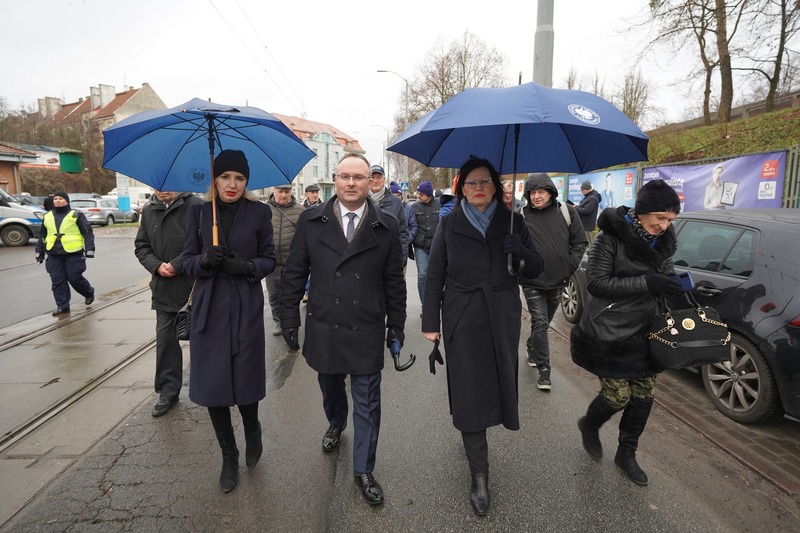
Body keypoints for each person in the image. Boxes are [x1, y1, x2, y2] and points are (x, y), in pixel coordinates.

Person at [279, 153, 406, 506]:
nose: (351, 183)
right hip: (326, 324)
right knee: (330, 385)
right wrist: (288, 317)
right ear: (334, 180)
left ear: (370, 182)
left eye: (359, 177)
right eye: (344, 176)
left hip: (366, 326)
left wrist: (396, 326)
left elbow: (394, 282)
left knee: (368, 402)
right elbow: (294, 272)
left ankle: (364, 469)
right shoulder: (311, 221)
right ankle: (336, 421)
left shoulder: (387, 226)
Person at [422, 156, 543, 516]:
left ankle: (480, 441)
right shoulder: (449, 223)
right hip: (461, 314)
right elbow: (435, 274)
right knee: (469, 390)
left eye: (485, 181)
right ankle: (479, 475)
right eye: (471, 182)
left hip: (502, 314)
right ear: (461, 188)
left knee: (499, 382)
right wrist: (431, 323)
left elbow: (537, 268)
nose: (478, 188)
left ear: (496, 186)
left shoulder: (513, 222)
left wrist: (520, 252)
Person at [571, 179, 684, 487]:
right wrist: (647, 283)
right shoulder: (610, 238)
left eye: (671, 219)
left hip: (648, 329)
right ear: (643, 211)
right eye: (660, 218)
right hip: (611, 330)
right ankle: (589, 425)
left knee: (644, 396)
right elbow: (596, 283)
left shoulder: (664, 241)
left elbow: (666, 274)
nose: (664, 225)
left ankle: (626, 453)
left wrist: (674, 284)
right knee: (618, 396)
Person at [181, 149, 277, 493]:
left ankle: (252, 430)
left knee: (246, 375)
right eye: (225, 177)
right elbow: (186, 260)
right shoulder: (199, 212)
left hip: (245, 303)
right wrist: (203, 261)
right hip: (210, 307)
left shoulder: (260, 212)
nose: (232, 184)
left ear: (246, 181)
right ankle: (228, 455)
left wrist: (248, 267)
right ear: (215, 179)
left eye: (239, 178)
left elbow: (270, 259)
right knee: (214, 383)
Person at [134, 190, 203, 417]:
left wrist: (176, 264)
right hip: (163, 289)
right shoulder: (149, 210)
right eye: (157, 186)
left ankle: (211, 387)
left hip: (195, 288)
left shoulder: (196, 205)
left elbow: (204, 245)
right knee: (166, 343)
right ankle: (168, 392)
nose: (162, 190)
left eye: (167, 185)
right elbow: (141, 246)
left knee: (205, 340)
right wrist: (156, 266)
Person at [519, 174, 587, 390]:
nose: (536, 196)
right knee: (540, 321)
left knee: (545, 321)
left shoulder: (567, 212)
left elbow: (580, 242)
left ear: (550, 193)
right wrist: (520, 263)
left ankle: (532, 346)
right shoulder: (521, 215)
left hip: (559, 278)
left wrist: (569, 266)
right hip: (532, 279)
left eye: (541, 192)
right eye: (532, 192)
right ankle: (544, 369)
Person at [34, 191, 96, 316]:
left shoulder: (76, 215)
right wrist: (39, 252)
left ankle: (88, 292)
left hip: (73, 253)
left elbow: (87, 232)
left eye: (60, 198)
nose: (57, 201)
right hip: (54, 253)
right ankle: (62, 306)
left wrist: (90, 249)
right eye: (55, 199)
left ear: (67, 201)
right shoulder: (47, 216)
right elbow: (42, 236)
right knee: (58, 281)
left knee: (74, 278)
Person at [265, 183, 303, 336]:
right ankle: (278, 321)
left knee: (291, 294)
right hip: (271, 262)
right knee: (274, 294)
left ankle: (291, 322)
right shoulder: (264, 209)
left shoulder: (300, 210)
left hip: (292, 262)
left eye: (287, 191)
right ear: (273, 191)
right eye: (280, 191)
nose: (283, 195)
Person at [369, 164, 410, 272]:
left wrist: (403, 258)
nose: (375, 181)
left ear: (384, 179)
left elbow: (403, 231)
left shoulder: (395, 202)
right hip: (367, 260)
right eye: (372, 177)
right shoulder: (361, 201)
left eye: (379, 177)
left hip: (391, 258)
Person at [411, 179, 440, 306]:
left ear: (428, 194)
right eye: (418, 193)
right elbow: (411, 225)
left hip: (437, 246)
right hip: (420, 246)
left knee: (437, 275)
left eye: (421, 194)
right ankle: (426, 305)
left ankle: (437, 302)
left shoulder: (439, 205)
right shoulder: (414, 207)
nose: (418, 196)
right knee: (423, 274)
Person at [391, 181, 417, 277]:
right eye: (393, 195)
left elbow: (413, 226)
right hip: (390, 247)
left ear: (401, 196)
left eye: (398, 195)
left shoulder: (408, 209)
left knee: (401, 277)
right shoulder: (387, 208)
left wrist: (406, 240)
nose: (396, 197)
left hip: (402, 248)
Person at [574, 179, 602, 244]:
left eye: (582, 190)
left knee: (587, 244)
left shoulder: (593, 198)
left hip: (587, 226)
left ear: (587, 189)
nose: (581, 192)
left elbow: (587, 211)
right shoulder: (589, 197)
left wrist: (576, 207)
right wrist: (578, 206)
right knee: (584, 244)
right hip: (584, 225)